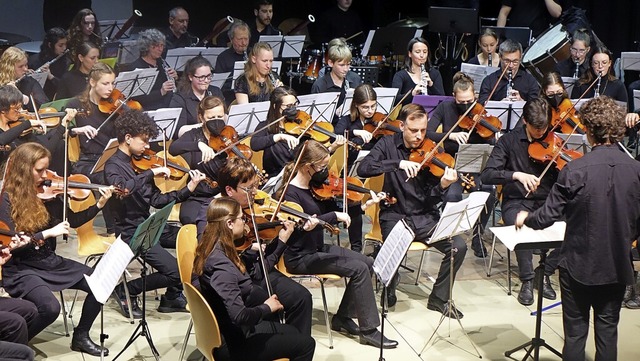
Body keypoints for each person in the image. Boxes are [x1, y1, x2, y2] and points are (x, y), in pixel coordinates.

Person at [514, 95, 640, 361]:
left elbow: (546, 217)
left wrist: (527, 217)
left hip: (578, 266)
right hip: (616, 266)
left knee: (575, 335)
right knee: (607, 335)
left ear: (587, 129)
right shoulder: (636, 170)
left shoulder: (575, 170)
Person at [279, 139, 396, 348]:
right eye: (322, 167)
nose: (325, 171)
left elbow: (337, 215)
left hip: (318, 249)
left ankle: (342, 318)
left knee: (367, 263)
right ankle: (369, 330)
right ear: (308, 167)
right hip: (300, 257)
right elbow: (305, 226)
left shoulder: (316, 187)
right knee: (359, 269)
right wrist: (334, 215)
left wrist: (363, 207)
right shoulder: (290, 194)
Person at [0, 142, 114, 356]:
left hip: (48, 261)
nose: (45, 176)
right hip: (21, 267)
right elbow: (10, 243)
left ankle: (81, 336)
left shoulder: (48, 196)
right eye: (39, 170)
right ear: (24, 170)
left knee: (99, 283)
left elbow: (72, 220)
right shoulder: (7, 199)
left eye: (46, 169)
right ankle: (16, 345)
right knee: (50, 308)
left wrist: (99, 205)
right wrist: (46, 233)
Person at [357, 103, 468, 313]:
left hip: (426, 216)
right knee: (392, 251)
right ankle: (390, 284)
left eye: (423, 131)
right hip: (396, 215)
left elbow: (431, 195)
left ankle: (439, 298)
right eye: (414, 130)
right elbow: (364, 168)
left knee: (458, 247)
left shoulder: (434, 150)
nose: (419, 136)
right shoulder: (387, 144)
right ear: (401, 126)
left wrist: (443, 185)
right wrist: (397, 163)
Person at [104, 109, 206, 319]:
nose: (148, 147)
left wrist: (190, 188)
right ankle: (126, 290)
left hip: (150, 224)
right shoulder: (113, 166)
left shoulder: (141, 164)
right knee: (175, 272)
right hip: (130, 230)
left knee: (195, 240)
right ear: (128, 138)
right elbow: (123, 189)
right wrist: (151, 173)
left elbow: (157, 201)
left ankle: (171, 296)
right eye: (144, 141)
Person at [195, 156, 313, 335]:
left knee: (303, 297)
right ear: (229, 189)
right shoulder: (211, 213)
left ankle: (291, 344)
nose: (255, 193)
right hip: (237, 279)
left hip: (253, 268)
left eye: (256, 186)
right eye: (249, 188)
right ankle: (286, 343)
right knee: (290, 299)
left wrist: (280, 238)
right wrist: (250, 249)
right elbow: (210, 250)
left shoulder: (246, 209)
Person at [193, 197, 316, 361]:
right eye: (242, 218)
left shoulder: (215, 247)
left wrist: (279, 242)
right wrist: (267, 307)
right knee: (307, 344)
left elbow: (255, 273)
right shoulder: (222, 267)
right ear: (229, 223)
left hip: (231, 330)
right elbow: (239, 316)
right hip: (233, 345)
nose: (245, 223)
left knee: (293, 331)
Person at [480, 98, 560, 306]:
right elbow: (487, 175)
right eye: (536, 130)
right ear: (524, 121)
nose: (541, 134)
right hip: (517, 200)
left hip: (547, 200)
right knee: (519, 224)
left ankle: (545, 271)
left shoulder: (553, 141)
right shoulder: (508, 141)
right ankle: (527, 279)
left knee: (578, 224)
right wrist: (516, 175)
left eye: (544, 129)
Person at [427, 72, 498, 257]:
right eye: (461, 102)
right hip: (451, 163)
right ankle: (449, 238)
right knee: (453, 194)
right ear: (454, 97)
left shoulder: (479, 109)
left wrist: (494, 135)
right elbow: (427, 133)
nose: (466, 106)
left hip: (475, 162)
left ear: (474, 96)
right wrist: (449, 135)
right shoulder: (445, 107)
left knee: (489, 193)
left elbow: (490, 142)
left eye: (469, 101)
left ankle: (477, 235)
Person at [169, 95, 228, 225]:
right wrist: (198, 145)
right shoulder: (194, 135)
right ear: (201, 118)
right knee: (189, 220)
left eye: (220, 117)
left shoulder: (228, 135)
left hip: (223, 195)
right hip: (198, 196)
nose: (217, 121)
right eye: (211, 118)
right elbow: (173, 148)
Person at [250, 86, 300, 178]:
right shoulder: (266, 126)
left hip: (298, 175)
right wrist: (279, 137)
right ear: (275, 106)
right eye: (288, 106)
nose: (293, 109)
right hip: (275, 177)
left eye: (295, 104)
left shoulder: (299, 126)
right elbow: (254, 144)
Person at [122, 29, 177, 110]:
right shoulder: (136, 67)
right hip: (148, 109)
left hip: (168, 104)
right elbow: (137, 97)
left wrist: (175, 77)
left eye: (162, 45)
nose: (160, 49)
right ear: (147, 47)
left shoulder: (161, 63)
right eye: (156, 46)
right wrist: (161, 92)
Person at [170, 56, 224, 137]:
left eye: (209, 76)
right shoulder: (179, 98)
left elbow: (225, 116)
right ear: (190, 77)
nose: (206, 81)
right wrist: (206, 125)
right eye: (201, 77)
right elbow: (178, 131)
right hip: (191, 140)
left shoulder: (215, 91)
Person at [311, 39, 362, 124]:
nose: (346, 69)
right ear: (331, 63)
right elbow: (315, 117)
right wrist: (334, 112)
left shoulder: (355, 79)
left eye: (348, 64)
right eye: (341, 65)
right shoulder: (320, 85)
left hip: (353, 126)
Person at [478, 39, 540, 104]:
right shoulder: (489, 81)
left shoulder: (530, 80)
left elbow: (536, 107)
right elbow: (482, 106)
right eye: (507, 61)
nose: (511, 65)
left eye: (515, 61)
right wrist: (499, 105)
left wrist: (522, 102)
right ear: (500, 57)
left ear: (520, 58)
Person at [392, 37, 445, 106]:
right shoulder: (400, 75)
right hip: (409, 114)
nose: (422, 55)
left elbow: (443, 100)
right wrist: (412, 93)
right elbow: (394, 100)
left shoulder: (435, 73)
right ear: (410, 54)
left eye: (425, 52)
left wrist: (431, 85)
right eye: (418, 52)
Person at [214, 20, 251, 104]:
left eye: (246, 39)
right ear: (231, 39)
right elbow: (219, 85)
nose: (244, 43)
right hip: (231, 98)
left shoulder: (253, 54)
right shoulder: (223, 57)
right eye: (240, 39)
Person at [28, 27, 69, 100]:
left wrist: (50, 76)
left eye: (65, 44)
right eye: (60, 45)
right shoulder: (34, 61)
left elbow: (66, 87)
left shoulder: (66, 62)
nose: (64, 48)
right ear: (50, 45)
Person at [496, 0, 563, 38]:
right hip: (516, 35)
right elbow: (503, 13)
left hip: (539, 38)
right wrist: (498, 36)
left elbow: (557, 13)